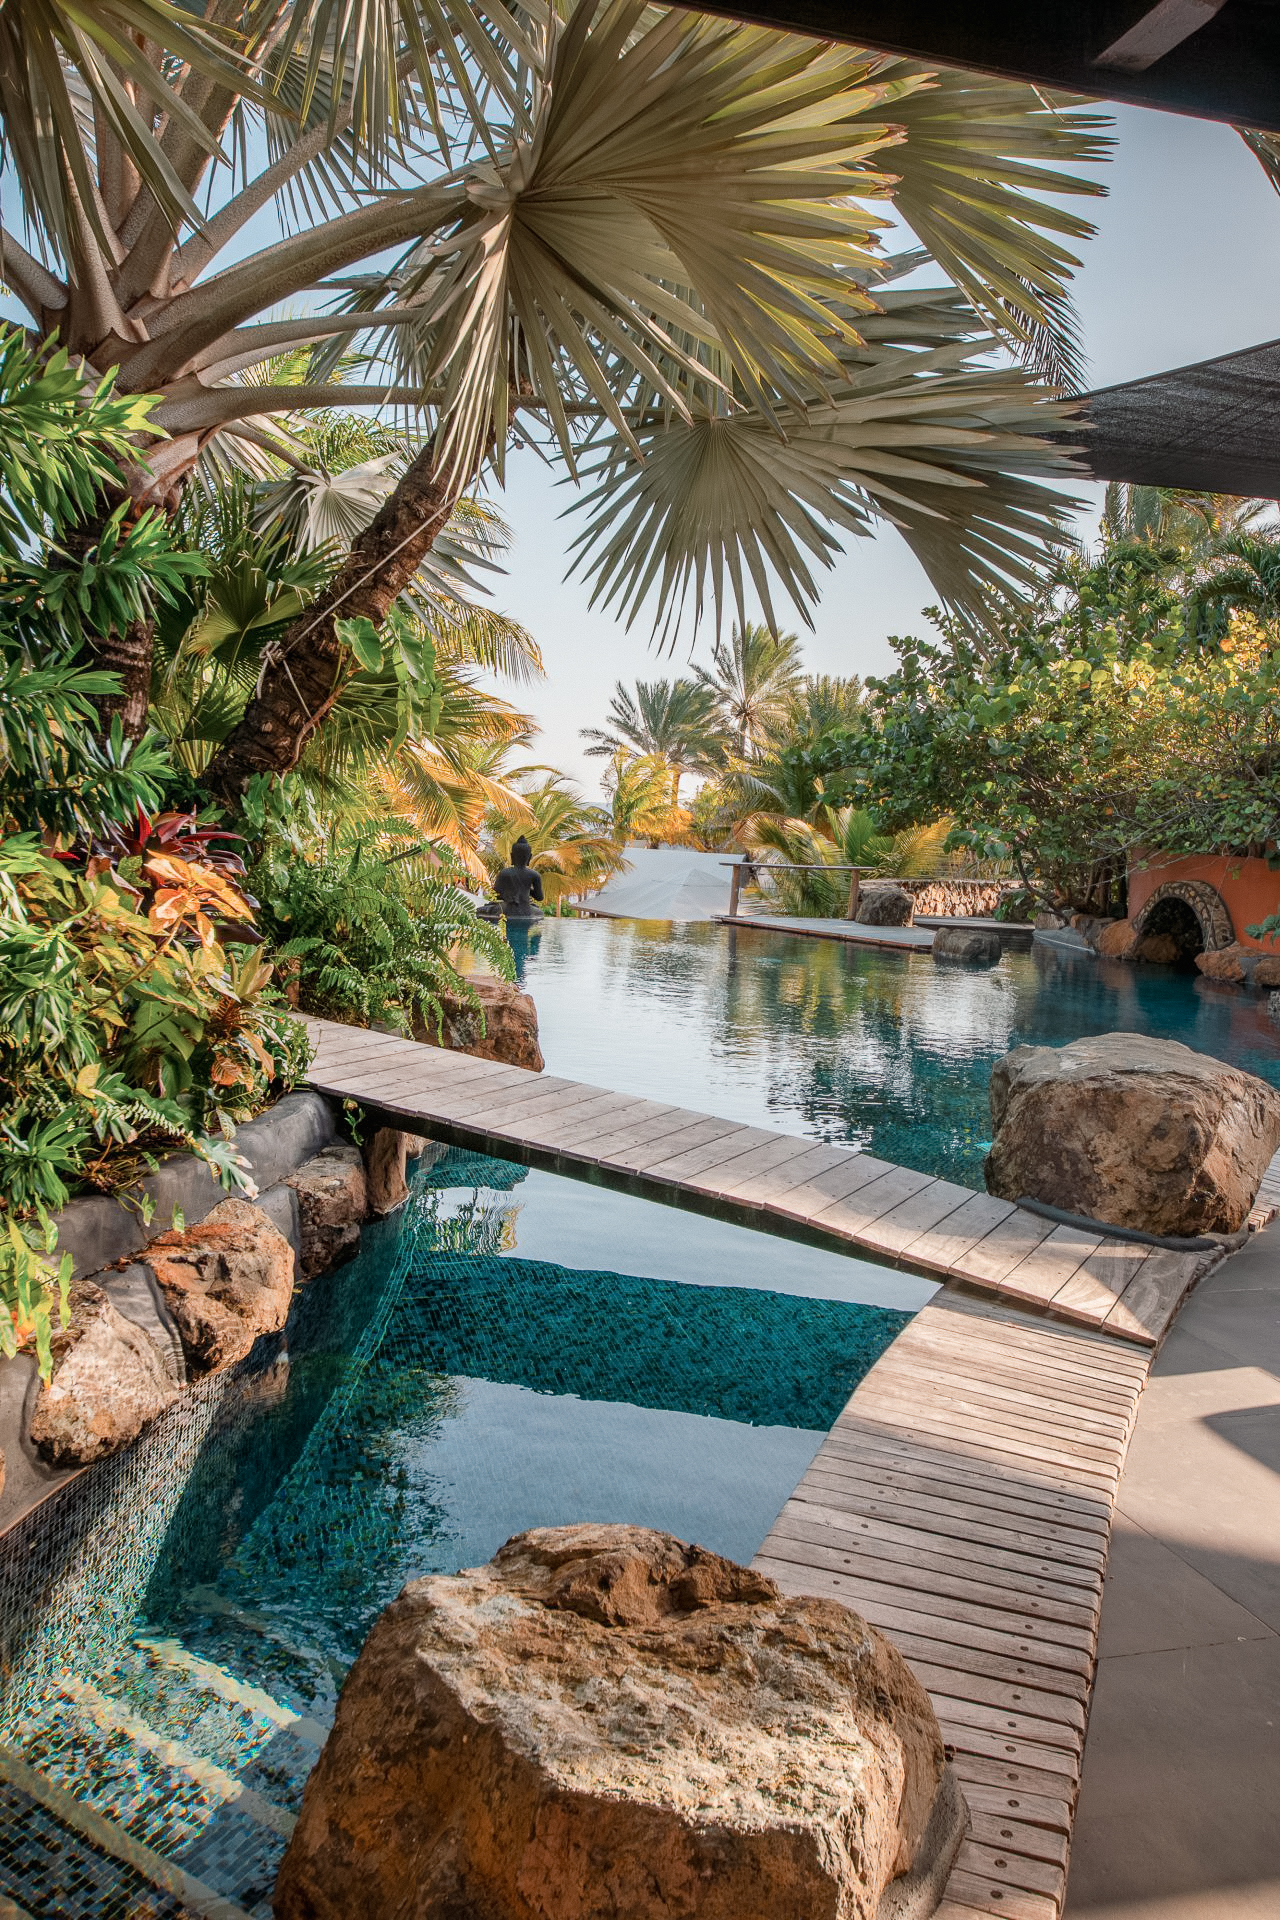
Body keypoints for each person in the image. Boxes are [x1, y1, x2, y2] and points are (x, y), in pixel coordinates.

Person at [482, 835, 544, 921]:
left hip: (507, 910)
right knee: (539, 912)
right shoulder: (534, 875)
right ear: (529, 857)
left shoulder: (504, 873)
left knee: (484, 909)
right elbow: (539, 897)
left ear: (512, 856)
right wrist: (528, 889)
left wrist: (508, 894)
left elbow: (495, 896)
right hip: (526, 910)